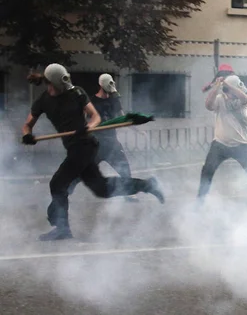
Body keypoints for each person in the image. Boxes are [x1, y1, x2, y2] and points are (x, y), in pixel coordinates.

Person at [22, 64, 165, 241]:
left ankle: (62, 228)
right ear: (52, 83)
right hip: (74, 148)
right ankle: (148, 185)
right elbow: (27, 125)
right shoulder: (43, 101)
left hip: (86, 144)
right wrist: (27, 135)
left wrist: (87, 127)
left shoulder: (77, 93)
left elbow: (95, 116)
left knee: (58, 183)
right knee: (101, 189)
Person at [198, 68, 247, 206]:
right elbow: (208, 105)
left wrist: (227, 85)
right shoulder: (220, 99)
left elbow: (243, 97)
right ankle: (200, 201)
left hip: (242, 145)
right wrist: (217, 87)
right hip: (220, 144)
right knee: (207, 171)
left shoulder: (243, 101)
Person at [67, 74, 138, 202]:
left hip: (112, 143)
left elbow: (122, 117)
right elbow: (82, 118)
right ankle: (67, 189)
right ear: (101, 85)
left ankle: (129, 192)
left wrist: (135, 129)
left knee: (124, 167)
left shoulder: (114, 100)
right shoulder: (92, 101)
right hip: (97, 143)